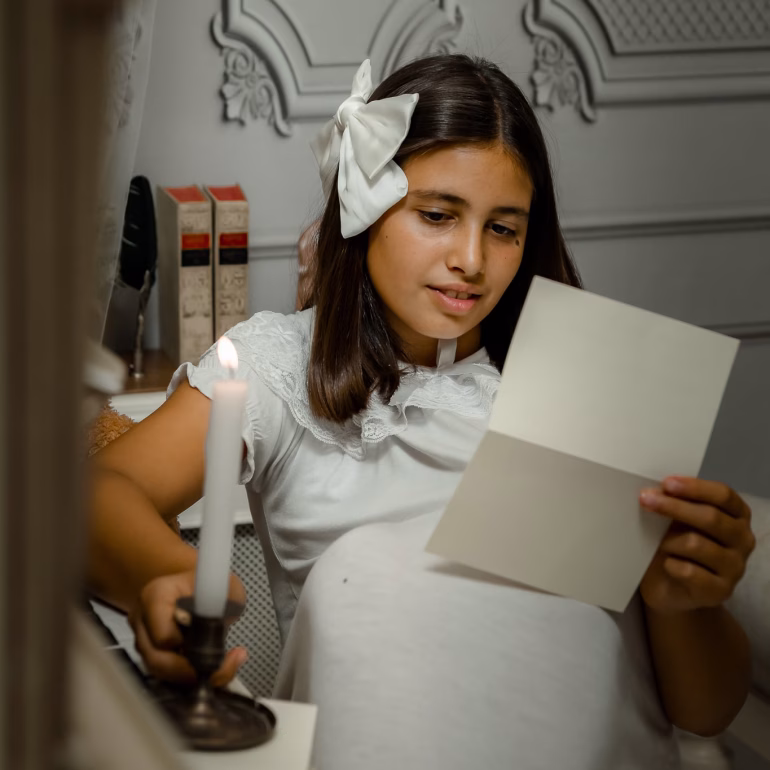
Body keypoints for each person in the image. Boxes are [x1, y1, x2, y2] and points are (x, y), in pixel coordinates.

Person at [87, 54, 756, 766]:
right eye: (438, 215)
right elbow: (91, 495)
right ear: (363, 208)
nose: (470, 258)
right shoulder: (278, 367)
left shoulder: (581, 384)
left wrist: (688, 602)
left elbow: (706, 710)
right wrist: (168, 574)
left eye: (504, 228)